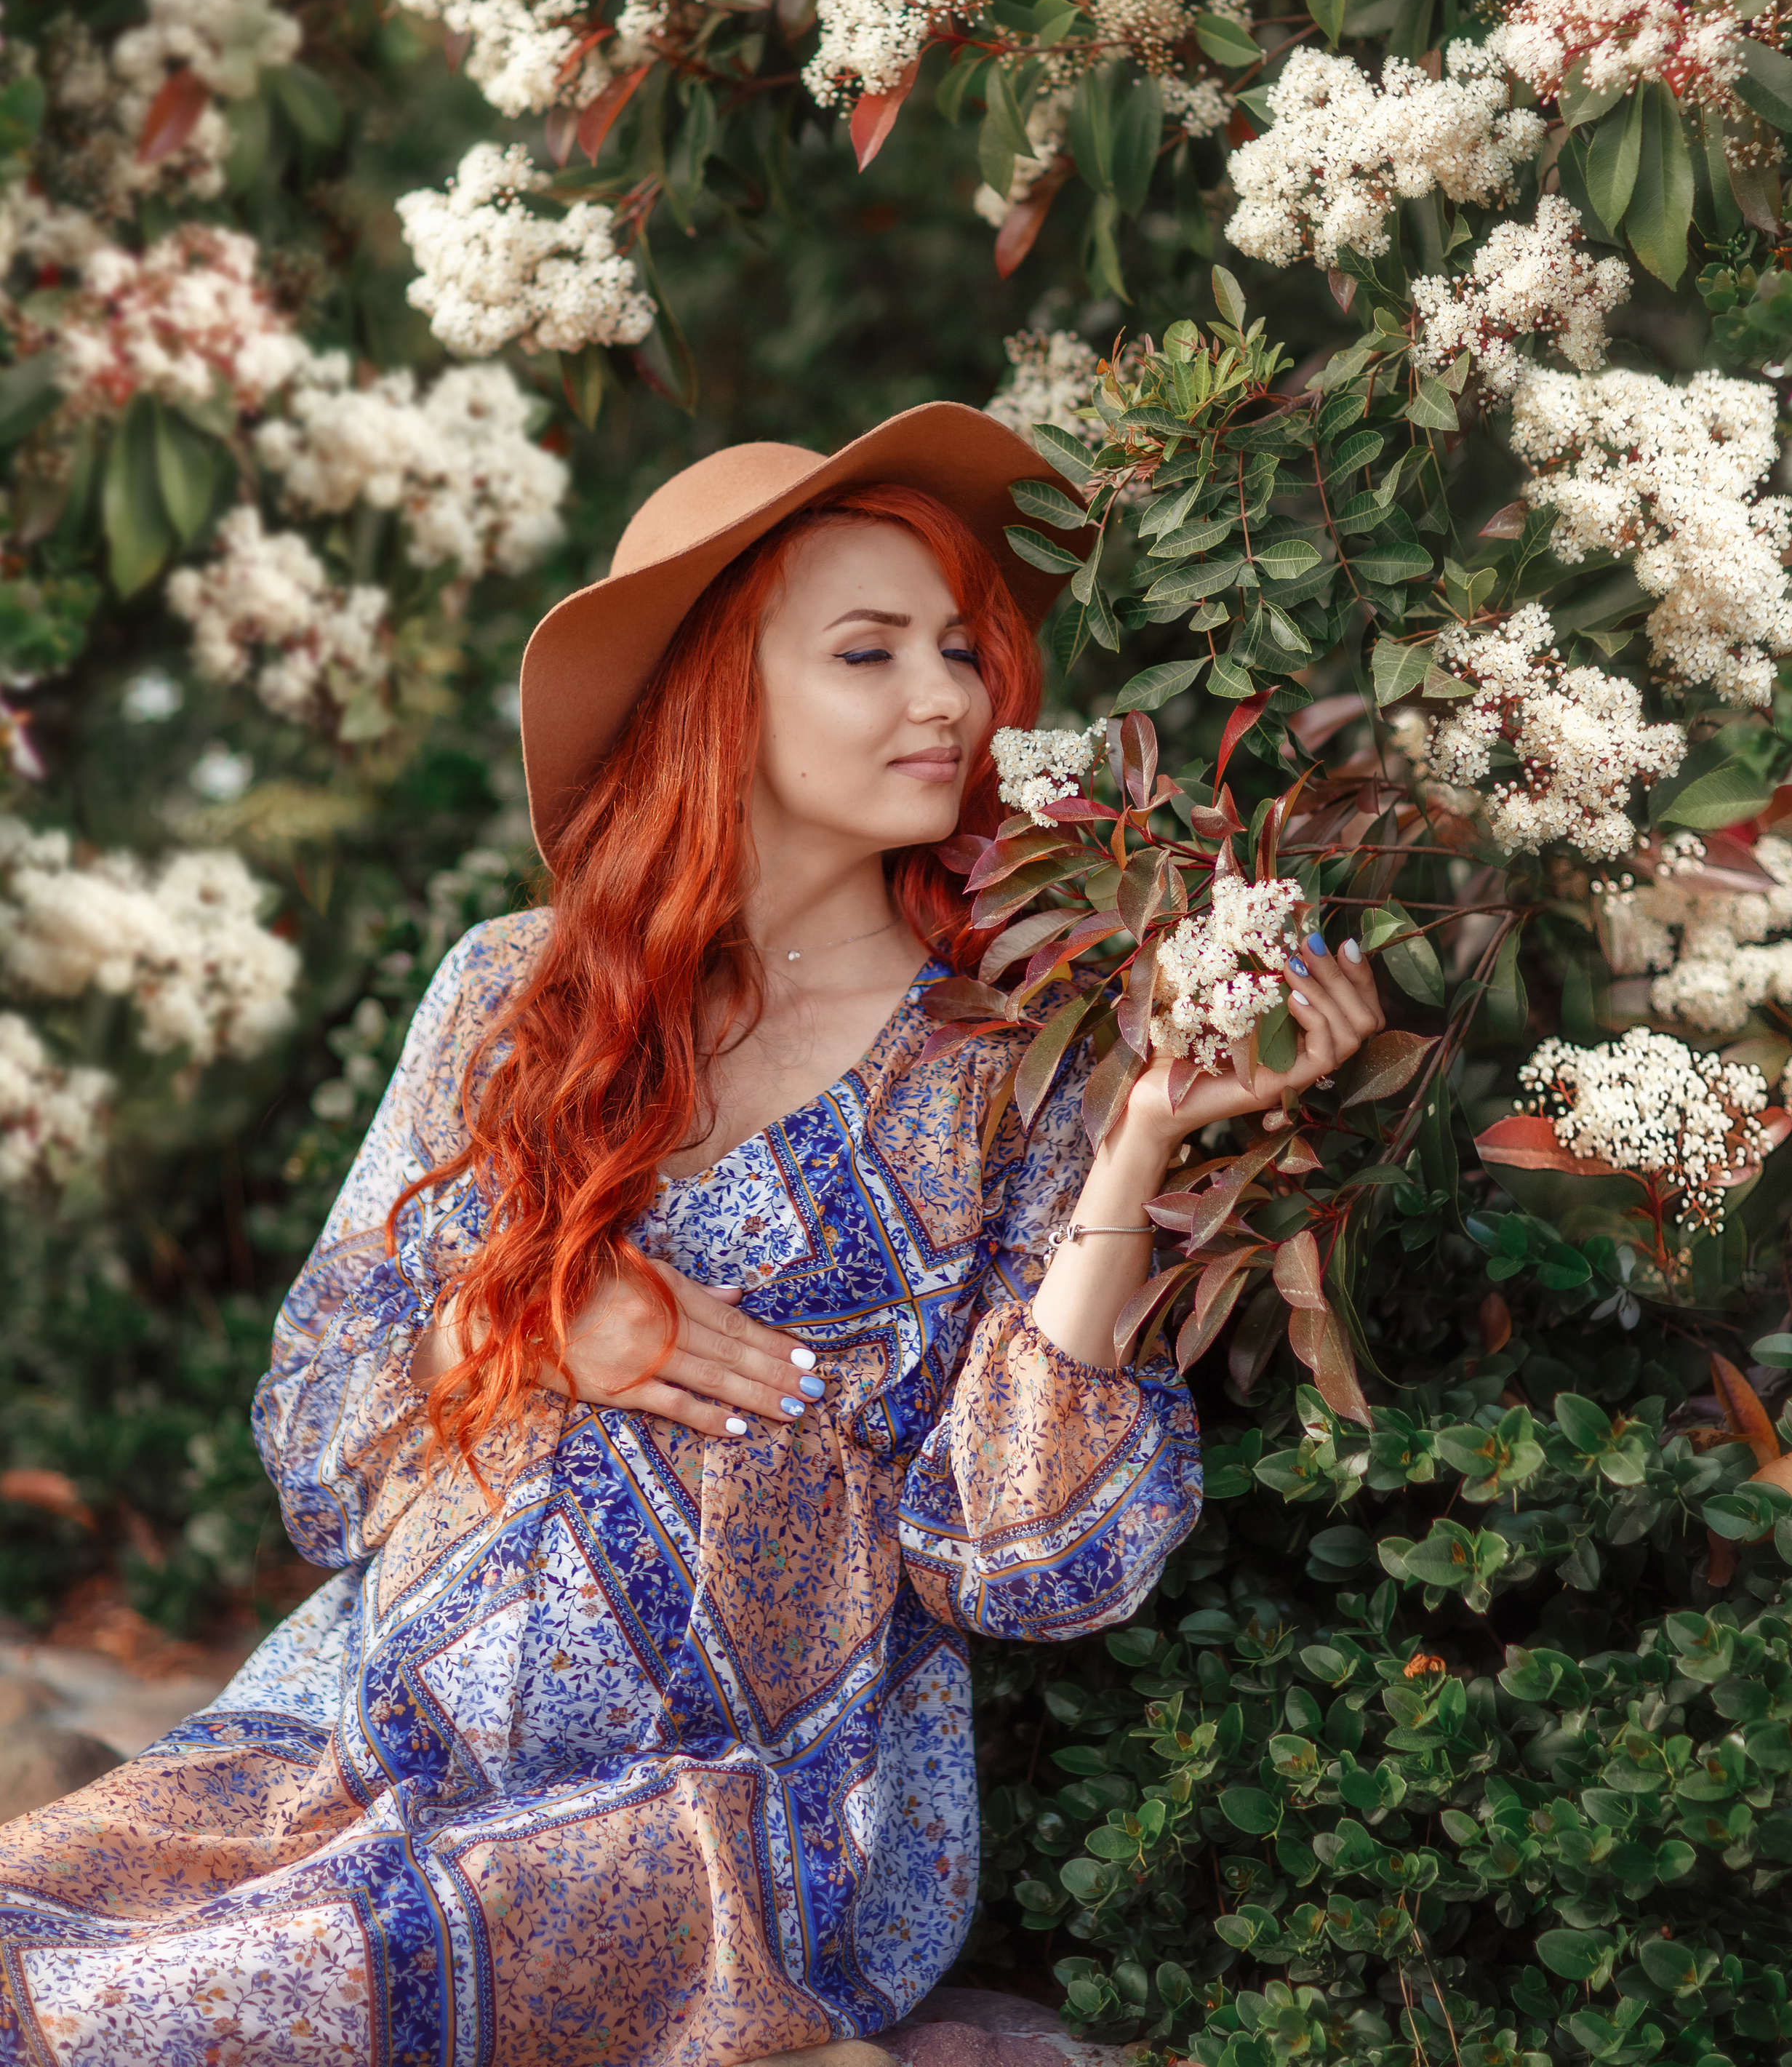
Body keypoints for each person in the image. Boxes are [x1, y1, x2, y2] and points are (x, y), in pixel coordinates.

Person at [0, 404, 1383, 2066]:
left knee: (140, 2024)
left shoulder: (1012, 1054)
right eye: (866, 655)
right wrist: (534, 1325)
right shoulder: (511, 995)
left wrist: (1149, 1123)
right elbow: (316, 1419)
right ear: (714, 698)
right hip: (346, 1749)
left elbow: (1016, 1560)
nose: (945, 698)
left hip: (725, 1834)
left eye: (957, 649)